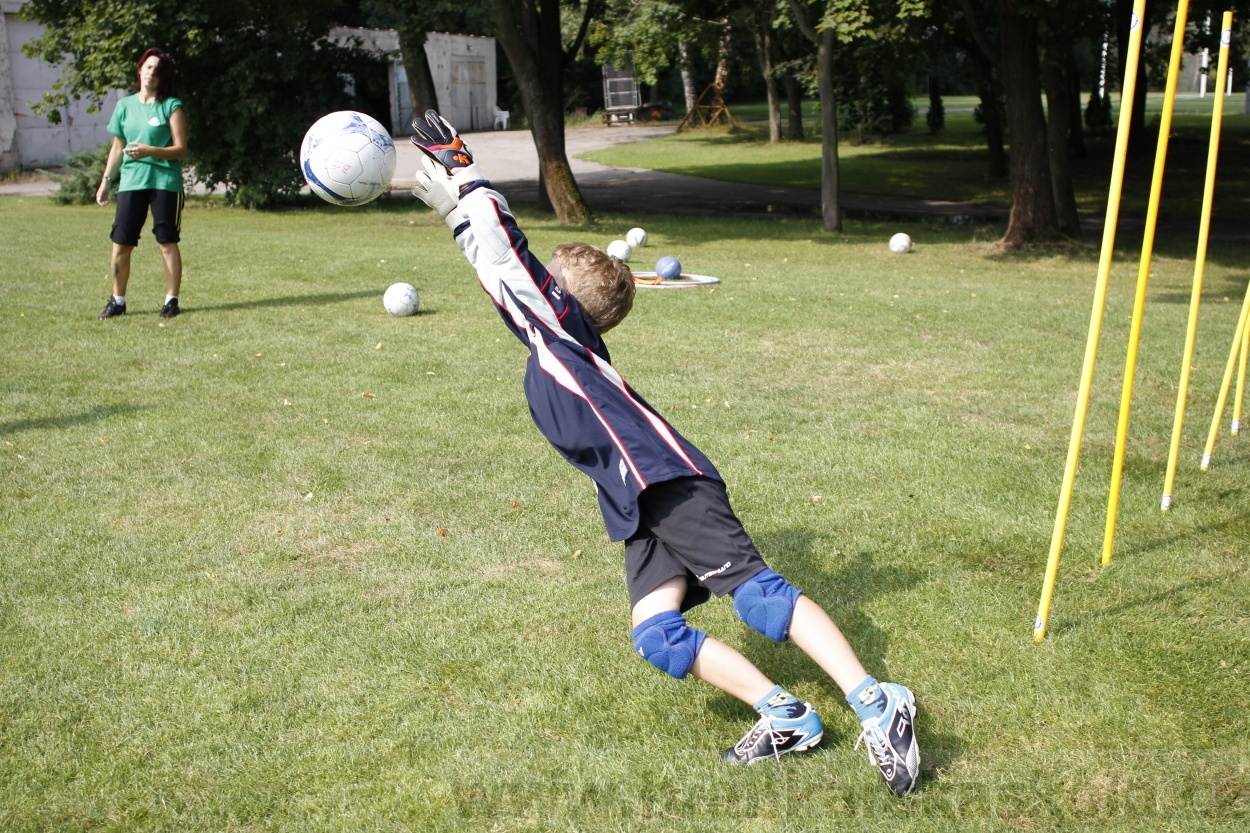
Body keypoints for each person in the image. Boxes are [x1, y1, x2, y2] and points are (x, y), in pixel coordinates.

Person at [408, 110, 921, 795]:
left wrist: (467, 178)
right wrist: (460, 219)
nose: (538, 281)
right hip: (640, 500)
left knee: (761, 598)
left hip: (670, 481)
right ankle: (786, 714)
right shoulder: (557, 339)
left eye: (549, 278)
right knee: (657, 634)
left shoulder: (561, 330)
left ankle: (878, 701)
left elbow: (509, 260)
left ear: (563, 300)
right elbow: (505, 279)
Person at [95, 48, 187, 319]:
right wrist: (106, 182)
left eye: (157, 70)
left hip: (164, 182)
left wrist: (150, 151)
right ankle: (117, 301)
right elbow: (116, 147)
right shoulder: (124, 106)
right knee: (121, 243)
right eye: (148, 67)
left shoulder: (171, 105)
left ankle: (171, 301)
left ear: (163, 77)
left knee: (166, 241)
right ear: (140, 70)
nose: (151, 73)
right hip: (131, 182)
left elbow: (181, 149)